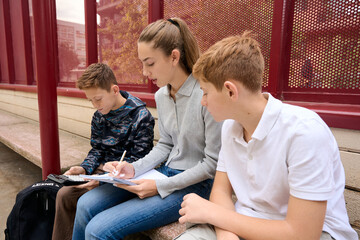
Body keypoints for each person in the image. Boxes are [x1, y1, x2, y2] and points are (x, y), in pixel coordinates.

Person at [177, 32, 358, 240]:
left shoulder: (304, 132)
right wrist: (226, 234)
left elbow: (303, 234)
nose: (203, 101)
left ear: (230, 91)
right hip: (243, 222)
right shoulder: (230, 127)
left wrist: (213, 214)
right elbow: (220, 192)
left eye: (206, 92)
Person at [71, 17, 222, 240]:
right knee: (84, 204)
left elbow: (212, 164)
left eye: (149, 63)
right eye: (142, 63)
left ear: (174, 57)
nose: (144, 71)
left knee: (98, 229)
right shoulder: (162, 95)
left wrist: (160, 186)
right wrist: (133, 168)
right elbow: (166, 144)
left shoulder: (206, 94)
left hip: (197, 185)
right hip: (164, 173)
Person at [52, 63, 155, 240]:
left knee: (81, 201)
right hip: (101, 172)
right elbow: (97, 149)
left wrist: (101, 183)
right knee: (64, 194)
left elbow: (141, 160)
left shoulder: (141, 116)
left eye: (98, 99)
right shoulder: (99, 115)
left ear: (115, 90)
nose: (94, 105)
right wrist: (84, 169)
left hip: (126, 177)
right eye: (90, 100)